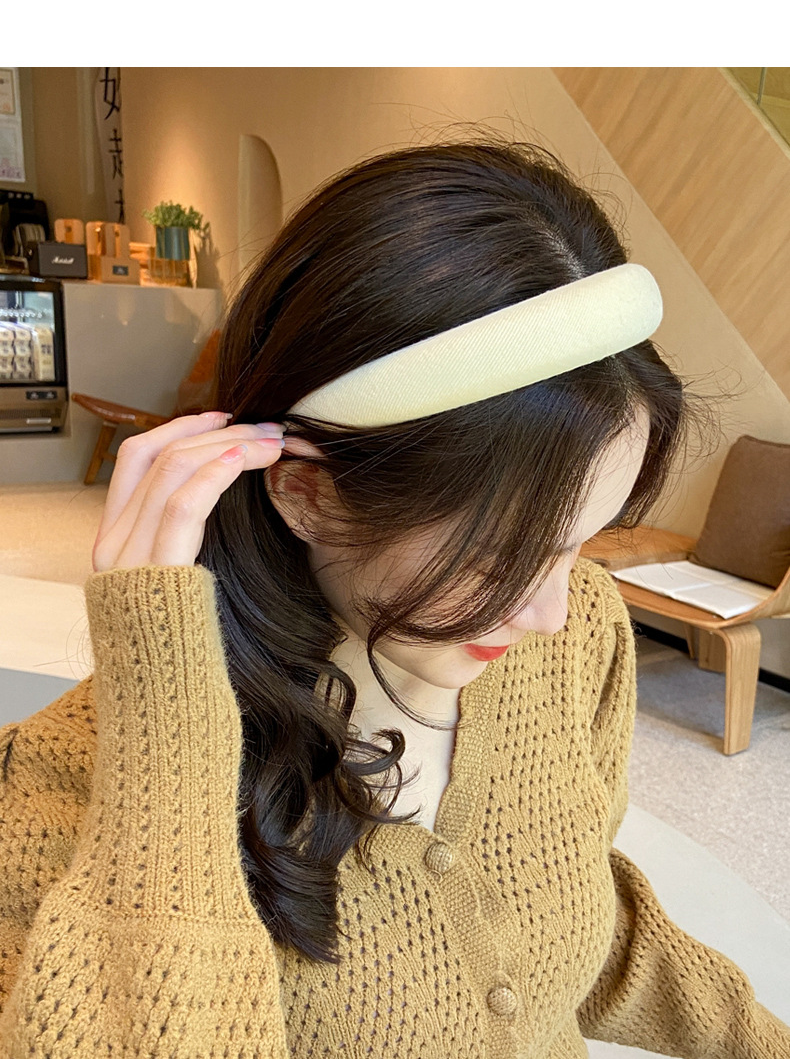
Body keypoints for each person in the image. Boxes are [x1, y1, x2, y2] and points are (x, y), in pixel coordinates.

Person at [1, 139, 787, 1058]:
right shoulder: (62, 788)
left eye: (583, 544)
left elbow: (585, 921)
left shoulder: (579, 640)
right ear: (306, 493)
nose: (554, 612)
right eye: (500, 557)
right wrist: (167, 756)